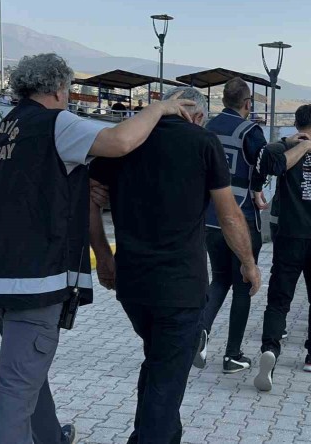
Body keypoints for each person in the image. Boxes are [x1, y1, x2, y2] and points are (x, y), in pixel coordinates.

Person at [0, 53, 193, 444]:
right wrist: (158, 108)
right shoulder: (56, 122)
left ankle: (51, 437)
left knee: (27, 371)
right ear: (60, 89)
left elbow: (33, 187)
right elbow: (120, 141)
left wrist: (78, 189)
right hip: (34, 282)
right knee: (16, 386)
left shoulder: (5, 130)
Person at [89, 86, 261, 443]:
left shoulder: (125, 140)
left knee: (159, 362)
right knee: (166, 380)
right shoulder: (203, 142)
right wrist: (248, 263)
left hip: (131, 283)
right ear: (196, 115)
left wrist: (104, 257)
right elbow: (229, 215)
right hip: (180, 286)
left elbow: (87, 201)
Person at [254, 104, 311, 391]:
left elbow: (264, 159)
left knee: (279, 299)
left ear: (296, 125)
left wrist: (287, 142)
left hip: (289, 238)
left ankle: (270, 348)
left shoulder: (285, 154)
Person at [195, 77, 269, 374]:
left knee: (219, 279)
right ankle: (232, 355)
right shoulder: (251, 131)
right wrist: (257, 189)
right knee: (243, 284)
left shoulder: (207, 127)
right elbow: (263, 165)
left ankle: (201, 330)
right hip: (241, 219)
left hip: (209, 218)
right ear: (247, 104)